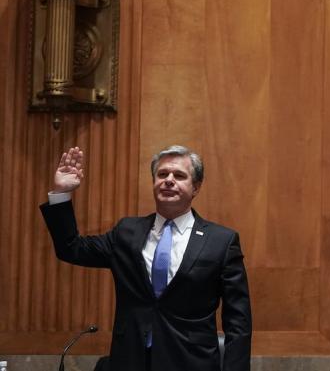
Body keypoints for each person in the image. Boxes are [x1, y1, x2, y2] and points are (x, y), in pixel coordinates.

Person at [40, 145, 252, 371]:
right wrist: (62, 194)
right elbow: (71, 248)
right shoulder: (127, 232)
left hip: (191, 361)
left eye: (179, 176)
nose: (169, 180)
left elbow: (238, 320)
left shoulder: (221, 241)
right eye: (162, 174)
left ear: (196, 187)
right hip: (131, 359)